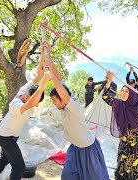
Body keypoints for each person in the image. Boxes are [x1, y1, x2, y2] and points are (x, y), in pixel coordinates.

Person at [44, 43, 109, 180]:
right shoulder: (64, 104)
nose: (53, 103)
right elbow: (60, 80)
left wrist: (51, 76)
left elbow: (63, 93)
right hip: (74, 148)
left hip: (88, 149)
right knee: (68, 176)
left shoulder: (74, 107)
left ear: (62, 99)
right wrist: (47, 55)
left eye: (55, 100)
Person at [0, 43, 51, 180]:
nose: (25, 97)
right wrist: (44, 82)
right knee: (19, 167)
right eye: (26, 95)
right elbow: (33, 99)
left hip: (11, 136)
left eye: (28, 97)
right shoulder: (17, 104)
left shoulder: (30, 101)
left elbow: (39, 73)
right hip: (5, 136)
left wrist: (42, 52)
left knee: (4, 159)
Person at [102, 71, 138, 180]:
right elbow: (105, 97)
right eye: (122, 91)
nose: (123, 93)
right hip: (125, 141)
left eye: (126, 91)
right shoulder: (118, 104)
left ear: (131, 94)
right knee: (126, 165)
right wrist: (109, 81)